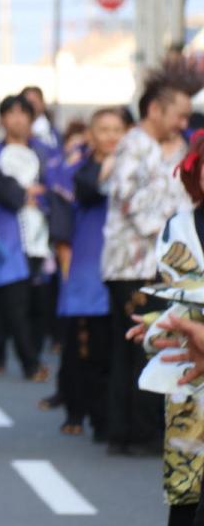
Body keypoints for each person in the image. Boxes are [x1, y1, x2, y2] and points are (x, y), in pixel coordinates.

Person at [102, 64, 198, 455]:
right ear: (155, 109)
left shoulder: (163, 146)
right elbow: (131, 204)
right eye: (179, 115)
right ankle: (131, 432)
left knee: (145, 346)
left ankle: (129, 430)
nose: (183, 124)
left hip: (153, 265)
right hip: (133, 264)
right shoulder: (134, 144)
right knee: (139, 348)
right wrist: (174, 223)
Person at [122, 129, 204, 525]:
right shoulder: (180, 225)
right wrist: (160, 324)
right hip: (189, 365)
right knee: (186, 484)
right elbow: (181, 293)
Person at [47, 107, 124, 438]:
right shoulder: (78, 171)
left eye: (117, 129)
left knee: (113, 349)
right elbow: (65, 223)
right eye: (103, 129)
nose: (111, 136)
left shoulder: (136, 170)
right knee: (81, 348)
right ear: (91, 135)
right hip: (86, 270)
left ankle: (108, 418)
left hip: (123, 268)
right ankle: (78, 411)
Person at [0, 95, 49, 382]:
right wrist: (25, 193)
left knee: (32, 303)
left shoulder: (43, 153)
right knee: (2, 302)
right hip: (3, 241)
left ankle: (19, 358)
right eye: (11, 113)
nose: (17, 119)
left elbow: (54, 188)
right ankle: (18, 361)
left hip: (38, 240)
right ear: (2, 119)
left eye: (23, 113)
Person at [22, 85, 62, 165]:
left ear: (42, 103)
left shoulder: (55, 133)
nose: (31, 107)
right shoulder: (17, 133)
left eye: (33, 103)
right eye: (27, 103)